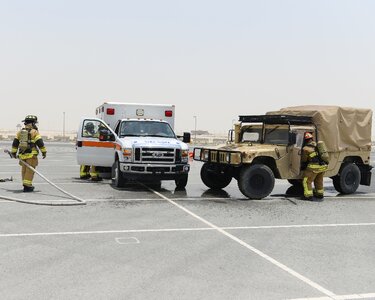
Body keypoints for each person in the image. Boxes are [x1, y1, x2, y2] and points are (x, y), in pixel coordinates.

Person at [11, 115, 47, 192]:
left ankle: (25, 183)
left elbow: (15, 143)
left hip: (22, 155)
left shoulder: (20, 132)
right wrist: (44, 152)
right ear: (33, 123)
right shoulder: (34, 132)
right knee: (30, 171)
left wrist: (13, 153)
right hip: (31, 155)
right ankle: (27, 186)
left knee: (24, 170)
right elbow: (40, 143)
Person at [301, 132, 328, 200]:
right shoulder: (318, 145)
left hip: (313, 167)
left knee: (306, 181)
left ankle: (308, 195)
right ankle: (320, 194)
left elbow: (304, 160)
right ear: (312, 139)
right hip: (322, 166)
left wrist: (303, 165)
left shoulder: (305, 148)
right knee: (319, 180)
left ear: (305, 140)